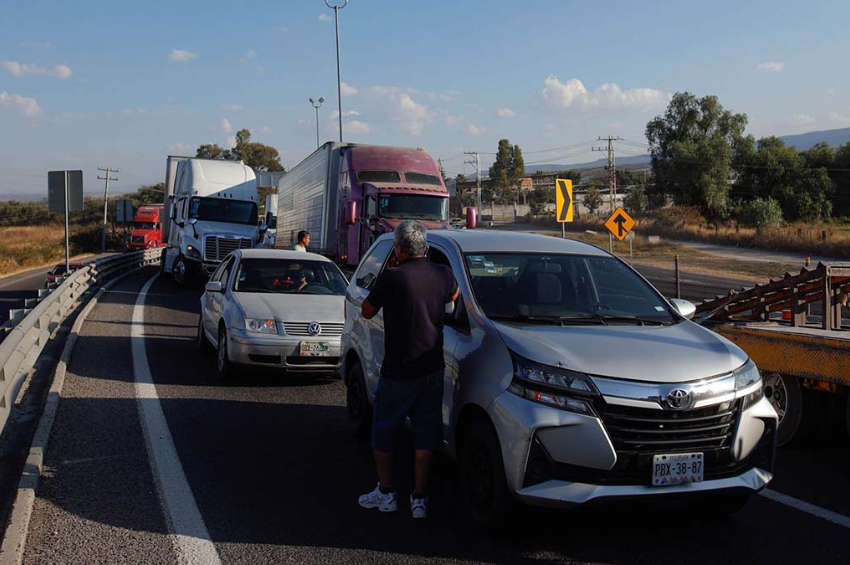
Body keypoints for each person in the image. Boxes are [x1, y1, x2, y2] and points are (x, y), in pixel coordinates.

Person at [357, 220, 459, 520]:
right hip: (432, 367)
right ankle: (419, 498)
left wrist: (389, 271)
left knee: (384, 431)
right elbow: (454, 297)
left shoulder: (392, 277)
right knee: (425, 437)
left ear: (399, 249)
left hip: (398, 370)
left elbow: (367, 310)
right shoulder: (443, 273)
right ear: (424, 246)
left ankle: (387, 493)